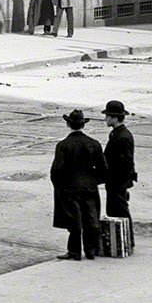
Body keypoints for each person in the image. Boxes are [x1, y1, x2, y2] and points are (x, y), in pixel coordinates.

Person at [51, 108, 106, 259]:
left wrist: (59, 187)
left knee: (74, 221)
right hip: (89, 186)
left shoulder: (63, 145)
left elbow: (57, 171)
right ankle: (91, 251)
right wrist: (94, 181)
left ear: (68, 125)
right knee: (90, 218)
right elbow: (103, 169)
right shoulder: (94, 144)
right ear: (83, 125)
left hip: (70, 188)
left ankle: (74, 252)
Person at [101, 99, 137, 239]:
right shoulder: (118, 133)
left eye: (108, 117)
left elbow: (126, 162)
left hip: (117, 181)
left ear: (115, 118)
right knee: (115, 210)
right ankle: (122, 239)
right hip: (115, 181)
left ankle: (127, 239)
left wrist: (123, 181)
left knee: (120, 211)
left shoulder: (122, 136)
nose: (105, 119)